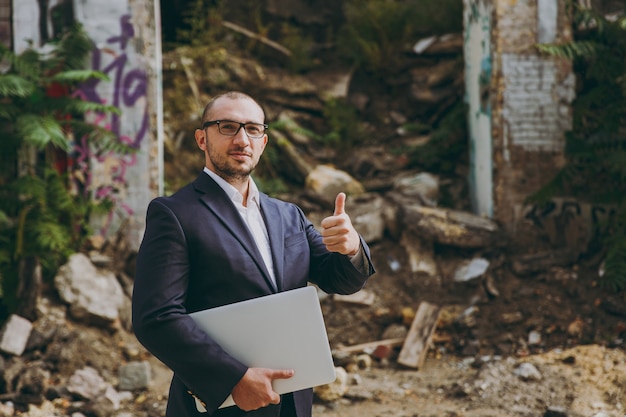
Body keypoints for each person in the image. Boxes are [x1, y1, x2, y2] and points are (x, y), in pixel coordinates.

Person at [132, 91, 375, 417]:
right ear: (202, 139)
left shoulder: (289, 215)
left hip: (292, 402)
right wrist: (233, 379)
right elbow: (155, 318)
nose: (242, 139)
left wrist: (351, 247)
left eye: (253, 129)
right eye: (228, 127)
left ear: (263, 141)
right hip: (221, 405)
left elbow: (340, 280)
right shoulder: (174, 214)